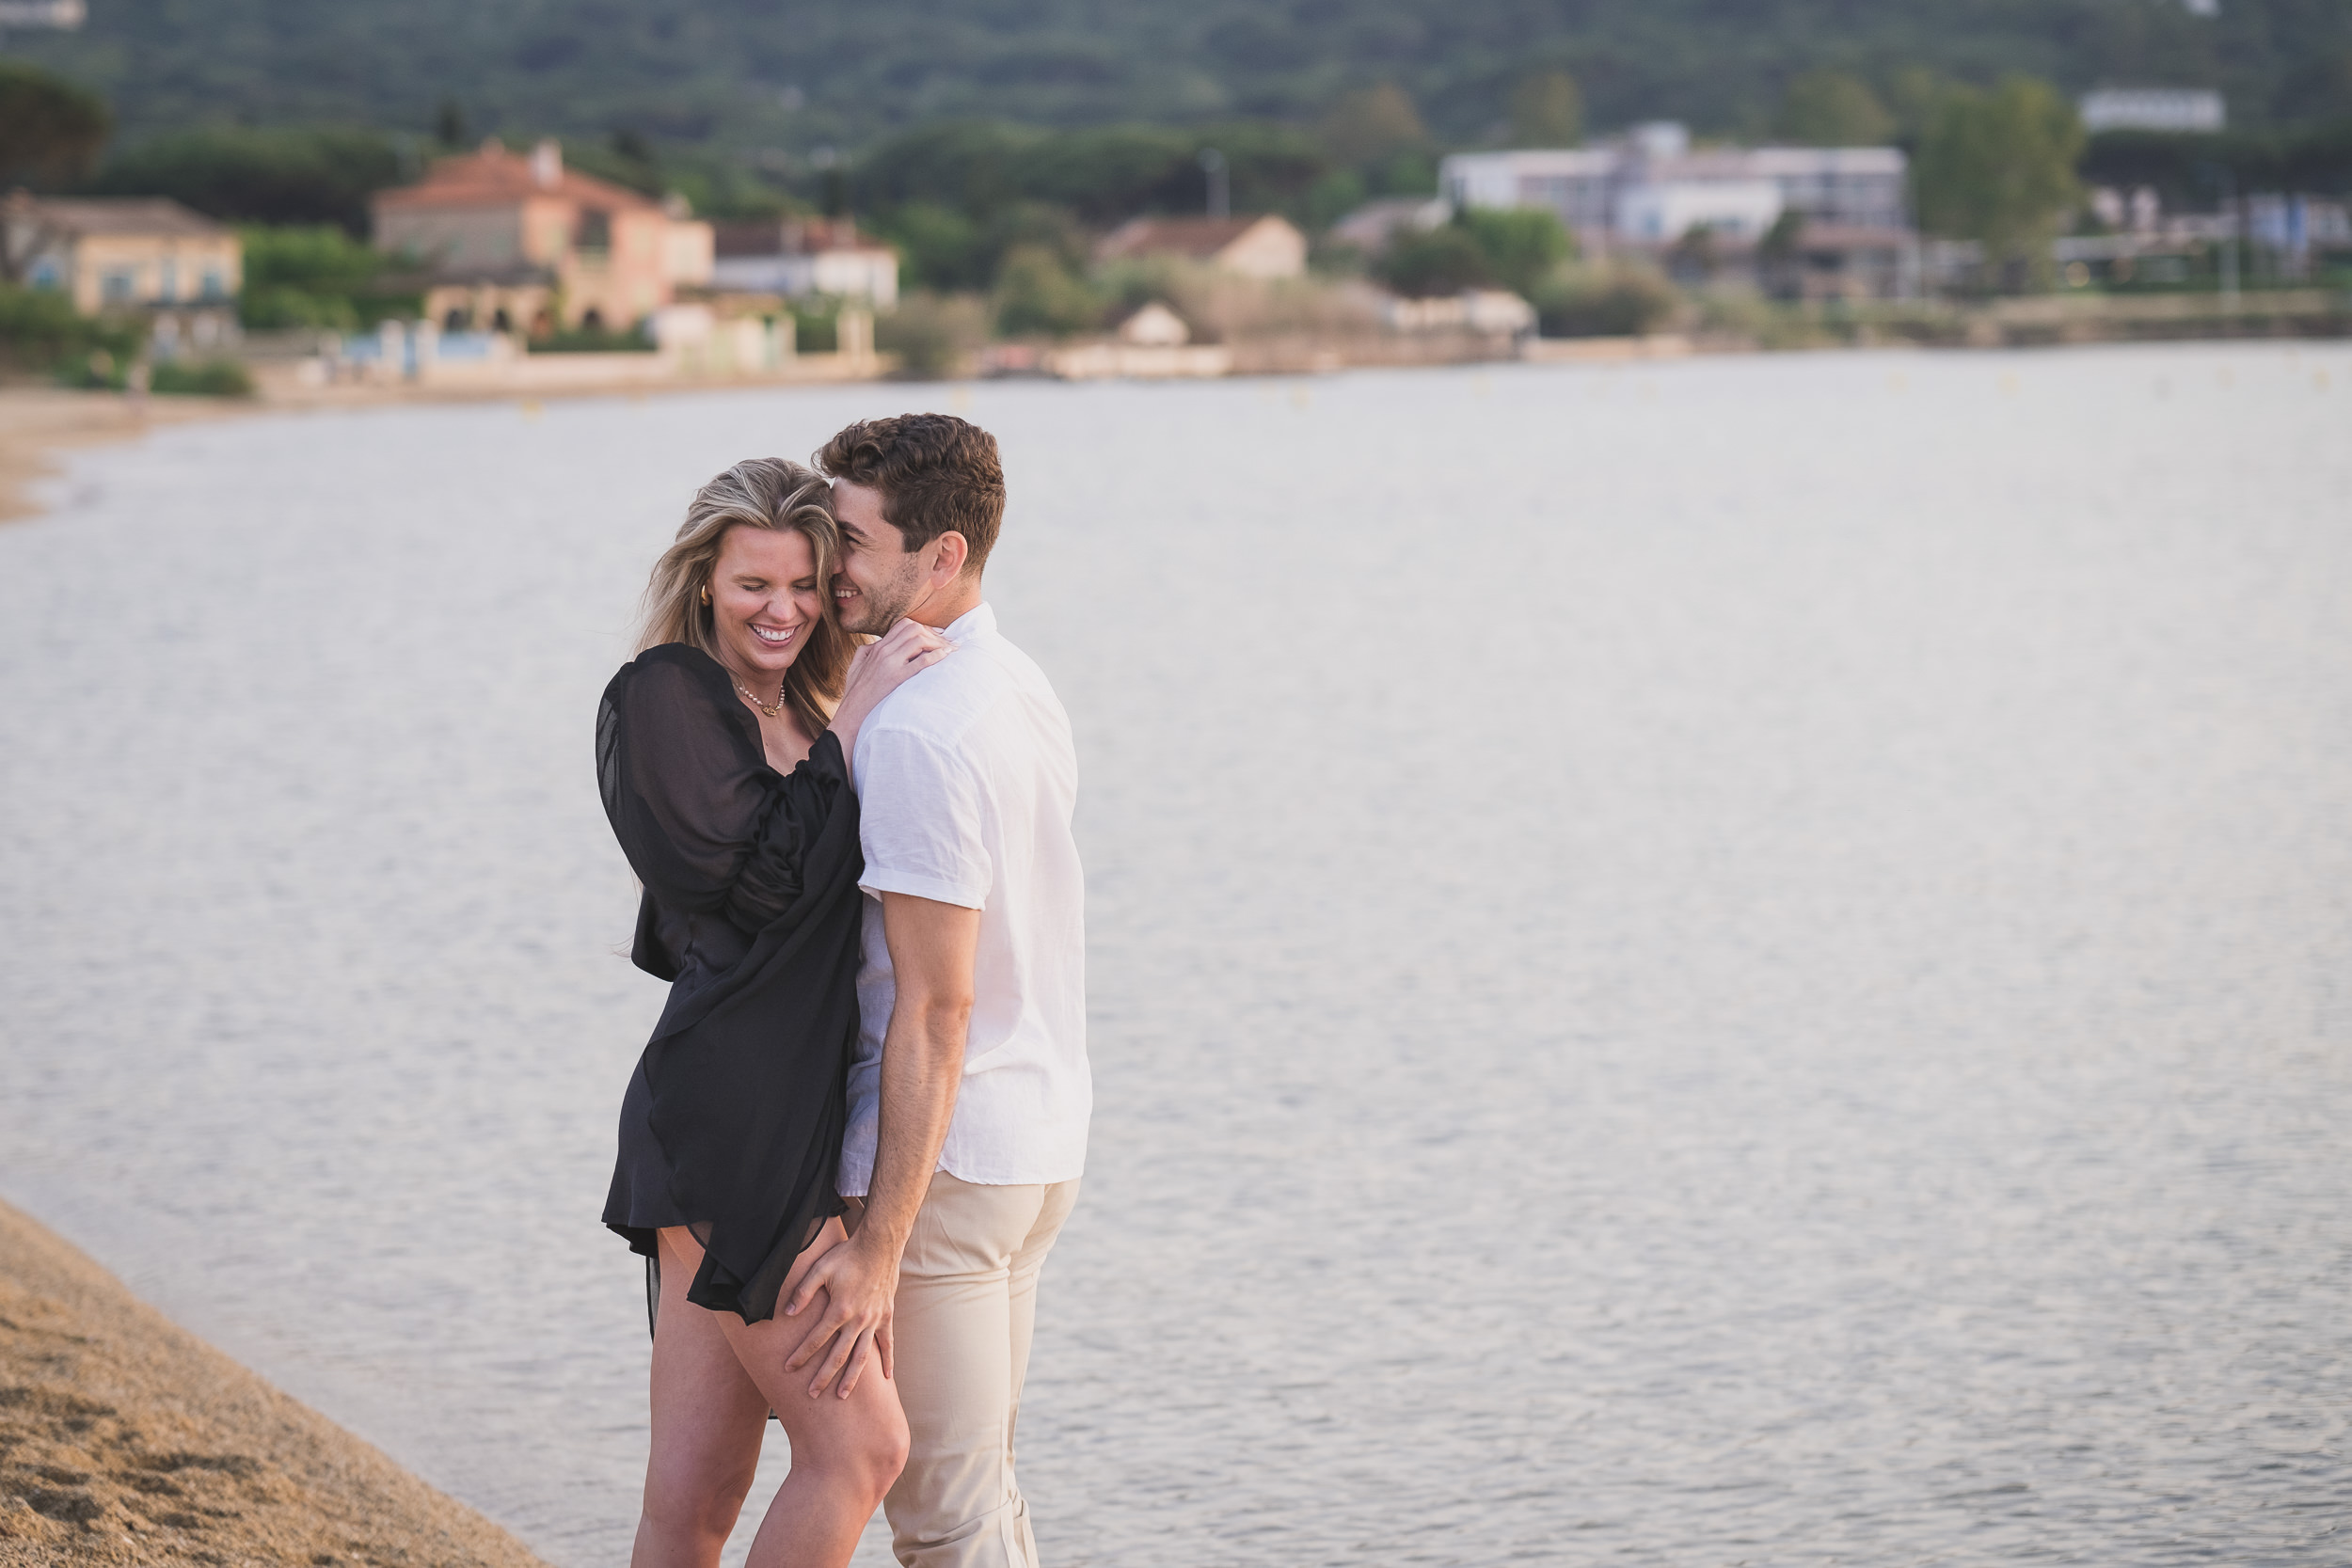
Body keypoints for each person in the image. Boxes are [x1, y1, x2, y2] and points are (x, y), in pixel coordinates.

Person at [596, 457, 952, 1568]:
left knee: (695, 1494)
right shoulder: (660, 692)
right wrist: (854, 718)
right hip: (727, 1117)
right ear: (706, 579)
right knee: (861, 1447)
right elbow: (756, 885)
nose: (784, 609)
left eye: (805, 584)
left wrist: (847, 715)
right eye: (756, 583)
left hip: (783, 1104)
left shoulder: (803, 703)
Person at [780, 415, 1090, 1568]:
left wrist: (877, 1245)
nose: (826, 567)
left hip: (945, 1170)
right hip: (1035, 1143)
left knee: (944, 1521)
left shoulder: (918, 730)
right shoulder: (1016, 684)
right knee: (985, 1496)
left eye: (852, 541)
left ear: (943, 553)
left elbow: (934, 1005)